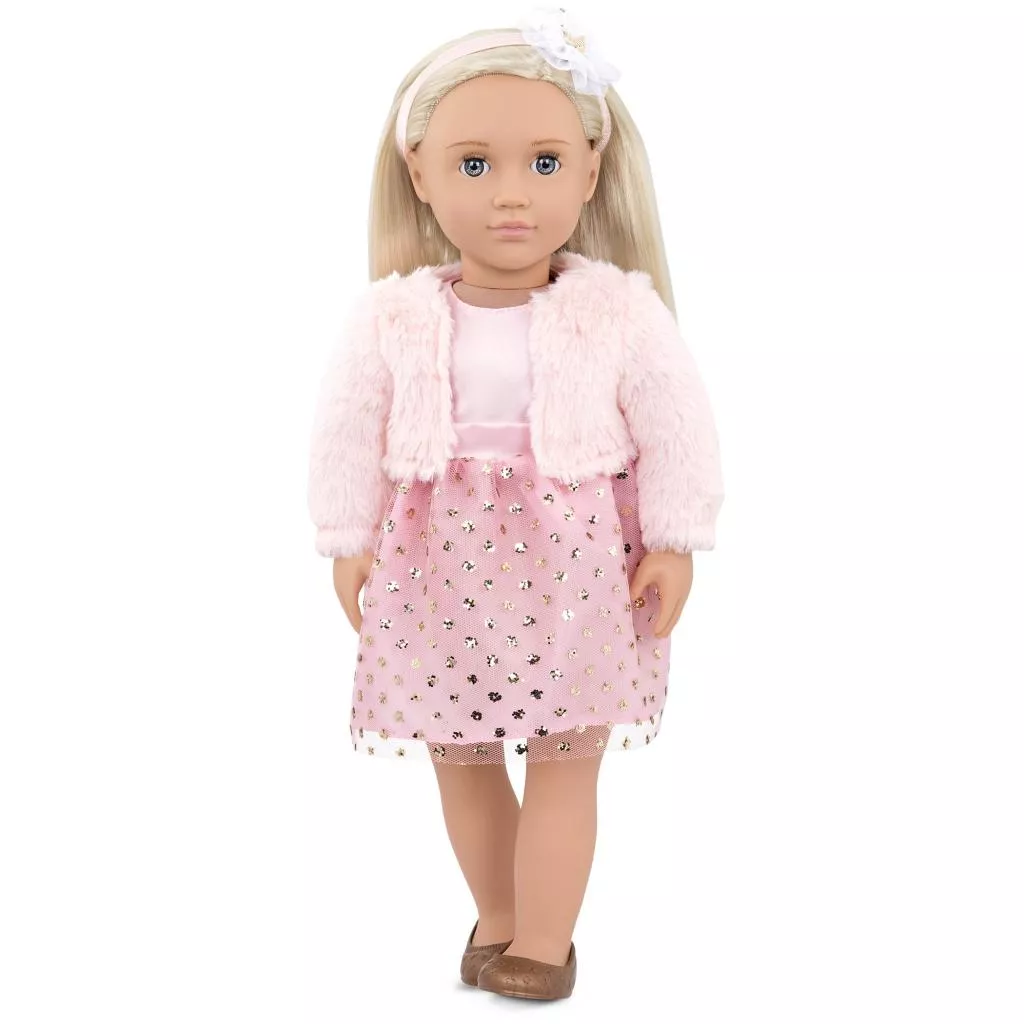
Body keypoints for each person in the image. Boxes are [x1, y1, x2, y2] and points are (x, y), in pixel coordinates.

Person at [307, 7, 725, 1000]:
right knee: (460, 752)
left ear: (590, 170)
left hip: (579, 564)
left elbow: (677, 424)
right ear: (418, 172)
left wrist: (675, 539)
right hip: (437, 566)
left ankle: (542, 939)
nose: (510, 194)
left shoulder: (618, 311)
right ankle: (496, 916)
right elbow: (346, 428)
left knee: (567, 757)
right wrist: (345, 537)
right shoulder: (393, 316)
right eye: (474, 164)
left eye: (543, 163)